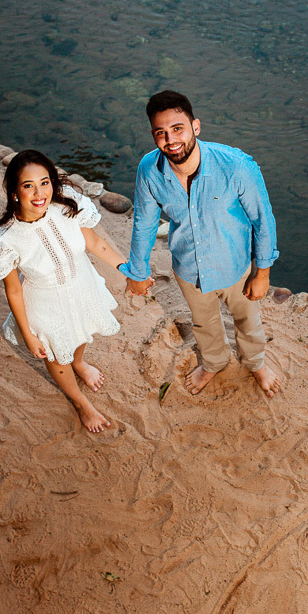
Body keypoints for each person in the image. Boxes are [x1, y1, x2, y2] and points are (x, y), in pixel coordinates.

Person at [120, 90, 282, 397]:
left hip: (236, 267)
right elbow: (144, 223)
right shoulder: (149, 170)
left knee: (248, 321)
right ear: (154, 136)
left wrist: (262, 273)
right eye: (161, 133)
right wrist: (137, 272)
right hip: (188, 268)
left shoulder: (236, 166)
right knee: (204, 324)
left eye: (177, 128)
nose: (170, 140)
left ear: (195, 126)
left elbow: (263, 220)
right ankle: (214, 363)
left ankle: (255, 363)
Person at [0, 150, 127, 433]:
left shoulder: (67, 207)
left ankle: (79, 363)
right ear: (14, 193)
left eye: (45, 182)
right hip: (45, 304)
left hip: (82, 285)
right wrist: (28, 334)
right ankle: (80, 404)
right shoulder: (6, 240)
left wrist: (128, 270)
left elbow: (95, 243)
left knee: (81, 331)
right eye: (28, 186)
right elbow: (14, 291)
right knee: (57, 355)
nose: (39, 193)